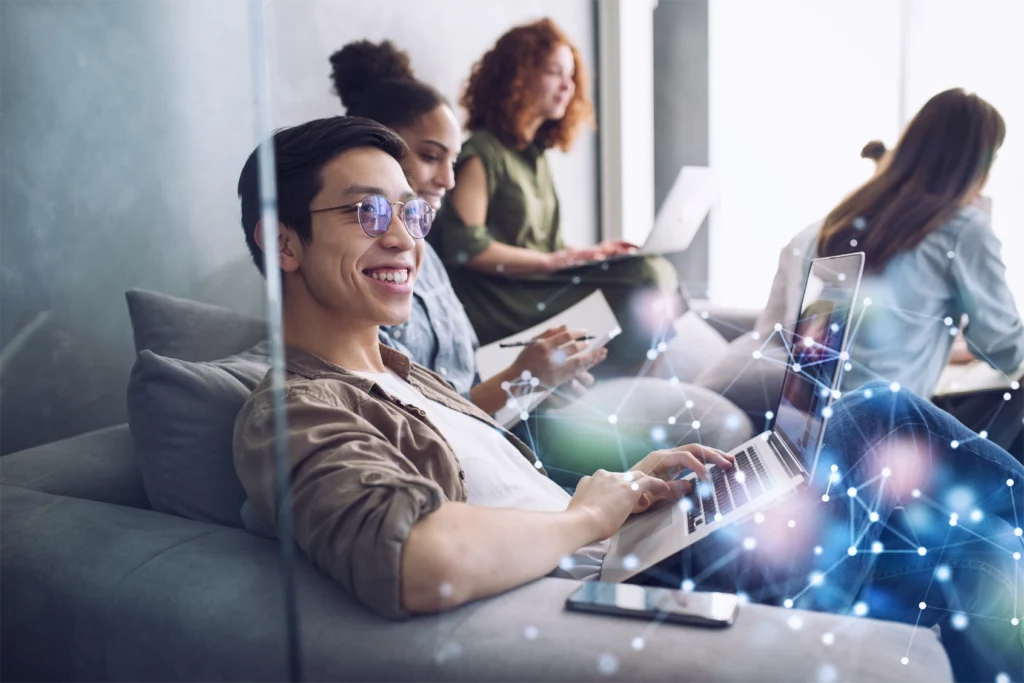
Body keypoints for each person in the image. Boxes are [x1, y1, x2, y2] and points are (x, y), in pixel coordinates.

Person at [233, 116, 1024, 680]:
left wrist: (633, 491)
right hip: (605, 584)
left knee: (933, 557)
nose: (406, 237)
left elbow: (505, 495)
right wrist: (592, 515)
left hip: (622, 547)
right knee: (872, 415)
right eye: (372, 210)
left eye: (411, 211)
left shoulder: (408, 373)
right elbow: (410, 557)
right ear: (285, 240)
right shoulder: (294, 407)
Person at [328, 39, 754, 476]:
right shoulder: (377, 279)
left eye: (450, 160)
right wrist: (523, 377)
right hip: (490, 389)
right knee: (645, 279)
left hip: (504, 402)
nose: (449, 180)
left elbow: (466, 373)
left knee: (652, 279)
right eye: (432, 156)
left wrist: (538, 375)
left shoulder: (426, 262)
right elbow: (426, 419)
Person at [429, 18, 683, 375]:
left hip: (536, 287)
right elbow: (465, 247)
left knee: (658, 273)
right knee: (646, 276)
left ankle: (628, 381)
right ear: (517, 76)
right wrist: (554, 262)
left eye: (571, 76)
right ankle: (614, 382)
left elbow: (547, 245)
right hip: (500, 299)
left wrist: (589, 255)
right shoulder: (481, 153)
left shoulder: (535, 157)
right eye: (554, 72)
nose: (567, 86)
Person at [757, 89, 1023, 401]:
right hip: (886, 430)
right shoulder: (962, 227)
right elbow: (1004, 349)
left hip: (812, 424)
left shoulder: (840, 219)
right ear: (979, 164)